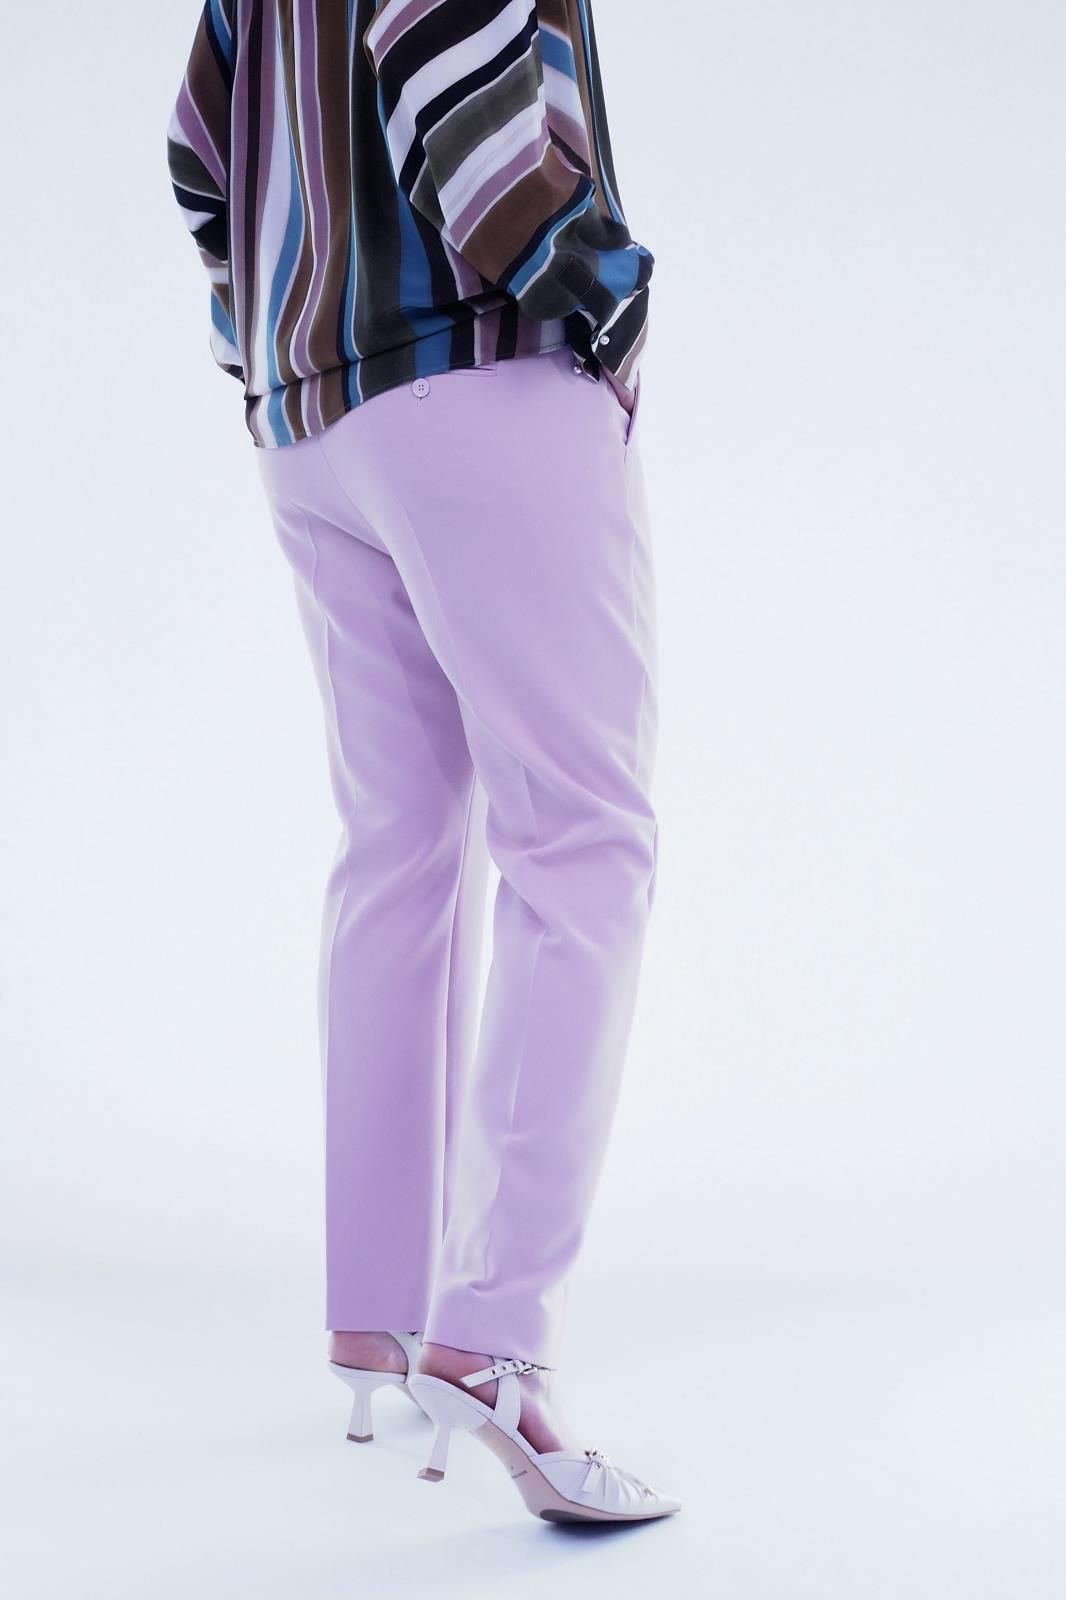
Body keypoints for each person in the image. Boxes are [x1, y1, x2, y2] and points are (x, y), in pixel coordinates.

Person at [166, 0, 678, 1524]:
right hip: (476, 362)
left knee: (399, 841)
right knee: (584, 843)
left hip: (311, 417)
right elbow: (441, 46)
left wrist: (264, 331)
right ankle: (493, 1342)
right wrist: (594, 288)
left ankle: (379, 1317)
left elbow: (200, 143)